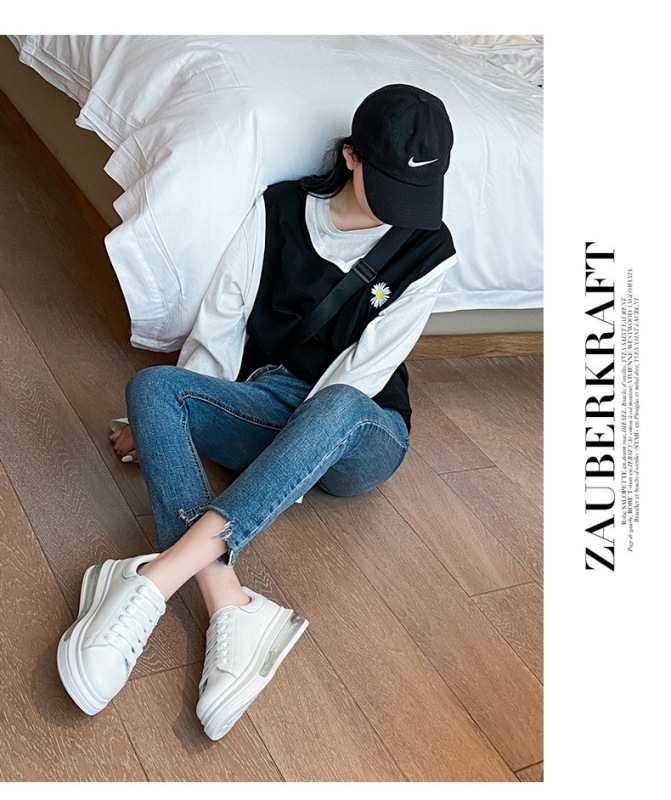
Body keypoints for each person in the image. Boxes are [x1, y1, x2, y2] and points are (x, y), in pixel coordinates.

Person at [57, 83, 457, 741]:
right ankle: (230, 601)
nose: (403, 210)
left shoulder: (429, 250)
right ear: (352, 156)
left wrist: (273, 467)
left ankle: (152, 582)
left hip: (363, 429)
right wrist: (176, 423)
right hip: (273, 398)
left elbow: (364, 373)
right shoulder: (280, 210)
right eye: (390, 185)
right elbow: (223, 318)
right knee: (154, 390)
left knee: (339, 403)